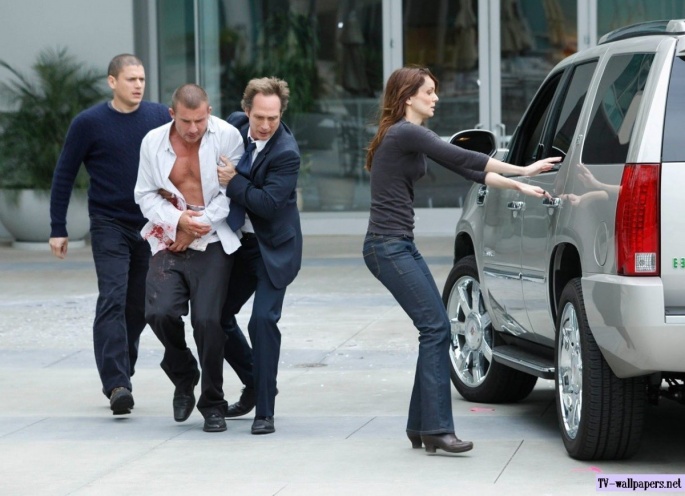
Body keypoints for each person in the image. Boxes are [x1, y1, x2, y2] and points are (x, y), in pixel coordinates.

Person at [362, 66, 559, 454]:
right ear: (408, 98)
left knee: (435, 327)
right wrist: (522, 168)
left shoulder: (406, 134)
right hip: (386, 247)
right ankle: (436, 429)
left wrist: (520, 183)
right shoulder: (405, 132)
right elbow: (464, 155)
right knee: (436, 327)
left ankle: (421, 426)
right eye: (429, 92)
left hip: (398, 245)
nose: (436, 98)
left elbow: (469, 169)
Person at [49, 54, 171, 415]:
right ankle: (117, 383)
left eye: (142, 79)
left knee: (138, 305)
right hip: (108, 223)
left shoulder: (158, 116)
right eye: (131, 79)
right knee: (113, 298)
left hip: (149, 224)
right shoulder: (88, 123)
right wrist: (58, 228)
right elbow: (64, 174)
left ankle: (122, 368)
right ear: (112, 82)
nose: (138, 85)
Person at [134, 83, 243, 433]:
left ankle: (213, 403)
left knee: (208, 322)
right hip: (169, 236)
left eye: (199, 120)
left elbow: (231, 193)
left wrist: (196, 227)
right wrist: (177, 221)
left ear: (209, 112)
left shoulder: (227, 137)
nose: (193, 128)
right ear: (172, 115)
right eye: (185, 121)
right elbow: (144, 194)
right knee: (158, 312)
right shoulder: (153, 142)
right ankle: (183, 374)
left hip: (213, 239)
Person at [217, 77, 302, 435]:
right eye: (260, 117)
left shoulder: (286, 152)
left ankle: (264, 412)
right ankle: (256, 381)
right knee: (215, 316)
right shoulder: (233, 126)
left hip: (274, 248)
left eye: (274, 118)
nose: (266, 125)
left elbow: (266, 204)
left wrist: (234, 181)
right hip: (240, 244)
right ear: (246, 111)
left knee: (262, 321)